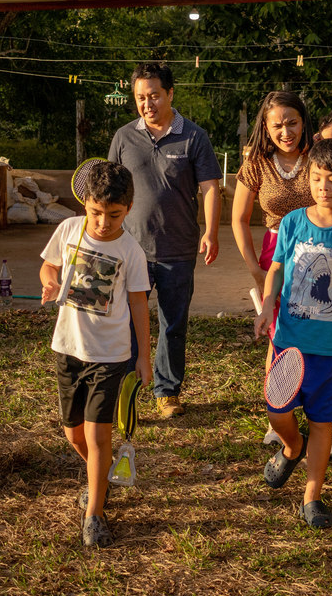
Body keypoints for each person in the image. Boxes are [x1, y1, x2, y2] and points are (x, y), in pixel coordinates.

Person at [253, 138, 332, 528]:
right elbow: (276, 269)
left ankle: (312, 498)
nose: (323, 187)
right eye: (316, 178)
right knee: (278, 412)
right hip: (289, 342)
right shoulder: (292, 222)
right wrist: (267, 306)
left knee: (322, 423)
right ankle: (292, 448)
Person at [231, 91, 332, 459]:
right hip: (276, 253)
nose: (285, 131)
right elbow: (239, 219)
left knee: (321, 332)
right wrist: (255, 270)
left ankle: (327, 425)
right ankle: (280, 421)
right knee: (280, 335)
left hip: (322, 253)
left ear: (305, 122)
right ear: (265, 126)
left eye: (292, 122)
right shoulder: (256, 163)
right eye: (277, 125)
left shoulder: (318, 157)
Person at [39, 160, 152, 548]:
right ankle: (99, 478)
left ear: (128, 209)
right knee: (73, 434)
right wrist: (50, 281)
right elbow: (49, 266)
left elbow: (139, 304)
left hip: (110, 355)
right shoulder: (69, 229)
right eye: (96, 212)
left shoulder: (130, 251)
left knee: (98, 434)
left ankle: (95, 513)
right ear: (84, 204)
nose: (103, 223)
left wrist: (144, 357)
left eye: (114, 215)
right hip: (68, 348)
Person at [108, 61, 221, 419]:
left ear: (170, 94)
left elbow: (210, 188)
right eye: (141, 97)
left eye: (154, 95)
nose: (148, 103)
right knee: (126, 323)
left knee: (173, 324)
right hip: (131, 249)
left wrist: (211, 231)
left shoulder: (194, 137)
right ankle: (126, 390)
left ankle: (167, 392)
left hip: (178, 249)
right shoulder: (124, 137)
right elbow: (109, 189)